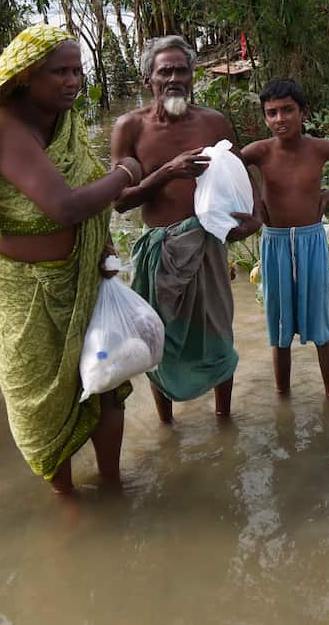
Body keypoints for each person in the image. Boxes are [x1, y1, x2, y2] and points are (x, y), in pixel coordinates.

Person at [0, 24, 144, 495]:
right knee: (41, 402)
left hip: (83, 278)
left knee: (108, 381)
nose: (73, 80)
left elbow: (81, 193)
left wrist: (102, 246)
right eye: (60, 71)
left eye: (78, 70)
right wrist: (127, 172)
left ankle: (115, 486)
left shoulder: (65, 121)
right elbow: (66, 206)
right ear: (24, 76)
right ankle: (67, 502)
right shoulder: (3, 127)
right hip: (22, 295)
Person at [110, 34, 259, 422]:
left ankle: (224, 419)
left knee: (218, 336)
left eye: (182, 70)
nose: (174, 78)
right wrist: (167, 172)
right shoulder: (130, 128)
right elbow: (120, 200)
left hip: (208, 245)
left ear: (193, 76)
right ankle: (166, 425)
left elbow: (241, 171)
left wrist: (255, 216)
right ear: (149, 81)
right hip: (157, 252)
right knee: (159, 341)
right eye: (165, 71)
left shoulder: (213, 122)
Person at [241, 79, 329, 397]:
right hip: (274, 242)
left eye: (288, 110)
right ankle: (283, 398)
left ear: (303, 113)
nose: (279, 119)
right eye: (271, 113)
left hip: (311, 241)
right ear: (265, 117)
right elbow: (228, 165)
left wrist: (328, 196)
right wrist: (255, 199)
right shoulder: (258, 151)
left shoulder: (319, 148)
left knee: (321, 327)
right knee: (279, 326)